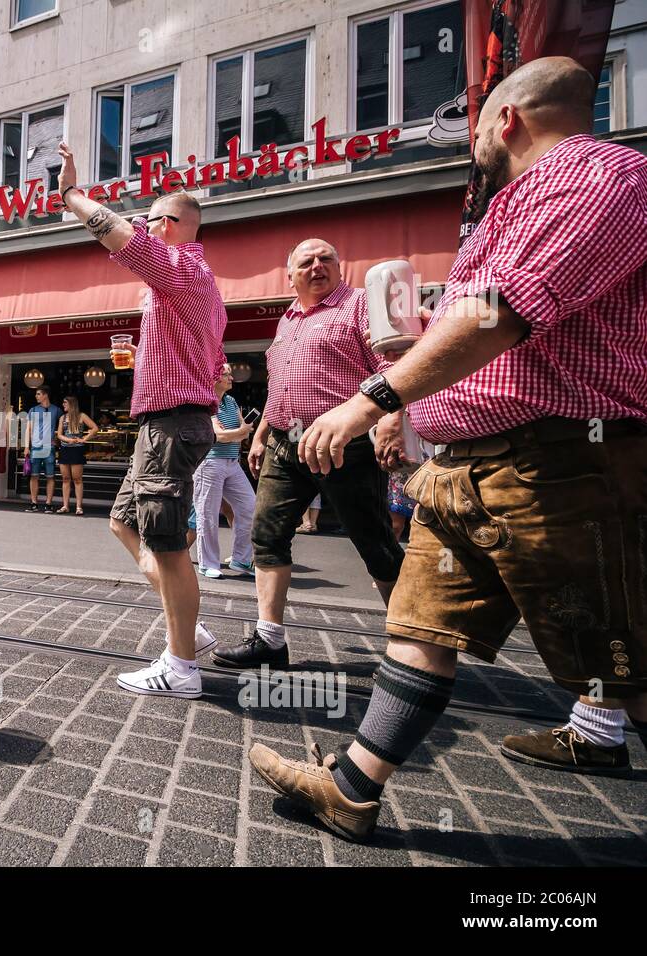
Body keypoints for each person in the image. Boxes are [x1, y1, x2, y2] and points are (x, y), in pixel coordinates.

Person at [248, 58, 647, 840]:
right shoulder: (512, 205)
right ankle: (353, 791)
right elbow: (472, 332)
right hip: (468, 466)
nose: (471, 143)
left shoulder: (601, 174)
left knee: (624, 658)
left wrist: (374, 398)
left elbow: (502, 315)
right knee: (420, 629)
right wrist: (414, 397)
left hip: (561, 464)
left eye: (474, 127)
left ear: (507, 121)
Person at [56, 142, 224, 698]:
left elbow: (115, 235)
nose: (140, 225)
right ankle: (189, 631)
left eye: (147, 219)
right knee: (125, 523)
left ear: (170, 225)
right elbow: (217, 363)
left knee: (170, 546)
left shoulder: (179, 266)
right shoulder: (197, 286)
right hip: (165, 420)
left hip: (172, 423)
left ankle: (181, 668)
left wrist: (73, 195)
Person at [215, 238, 403, 670]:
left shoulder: (360, 304)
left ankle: (407, 645)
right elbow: (279, 383)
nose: (318, 266)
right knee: (267, 535)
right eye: (307, 261)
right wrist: (261, 434)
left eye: (327, 259)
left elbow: (395, 364)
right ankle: (270, 640)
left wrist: (393, 418)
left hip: (345, 445)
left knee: (374, 542)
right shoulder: (289, 319)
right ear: (291, 275)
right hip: (284, 443)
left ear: (341, 267)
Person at [193, 363, 256, 578]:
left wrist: (236, 433)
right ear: (214, 378)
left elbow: (241, 434)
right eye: (226, 374)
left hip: (232, 461)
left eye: (230, 373)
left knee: (249, 506)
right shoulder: (207, 402)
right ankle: (208, 563)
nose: (231, 377)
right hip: (209, 463)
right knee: (207, 514)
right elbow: (219, 436)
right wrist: (238, 432)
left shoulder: (231, 401)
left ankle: (241, 560)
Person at [55, 396, 97, 514]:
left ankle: (79, 507)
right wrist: (68, 440)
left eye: (65, 403)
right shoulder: (62, 418)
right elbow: (59, 435)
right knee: (65, 478)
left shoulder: (81, 416)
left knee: (77, 479)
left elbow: (94, 428)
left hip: (77, 450)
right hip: (65, 450)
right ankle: (65, 506)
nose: (63, 405)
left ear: (72, 404)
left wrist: (84, 439)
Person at [23, 387, 61, 513]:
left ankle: (48, 503)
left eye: (38, 394)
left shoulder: (56, 410)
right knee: (34, 476)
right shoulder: (33, 410)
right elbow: (28, 429)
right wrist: (26, 447)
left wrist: (57, 439)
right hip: (35, 447)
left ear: (45, 395)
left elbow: (63, 426)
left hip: (49, 448)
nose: (36, 396)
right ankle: (34, 503)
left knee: (50, 477)